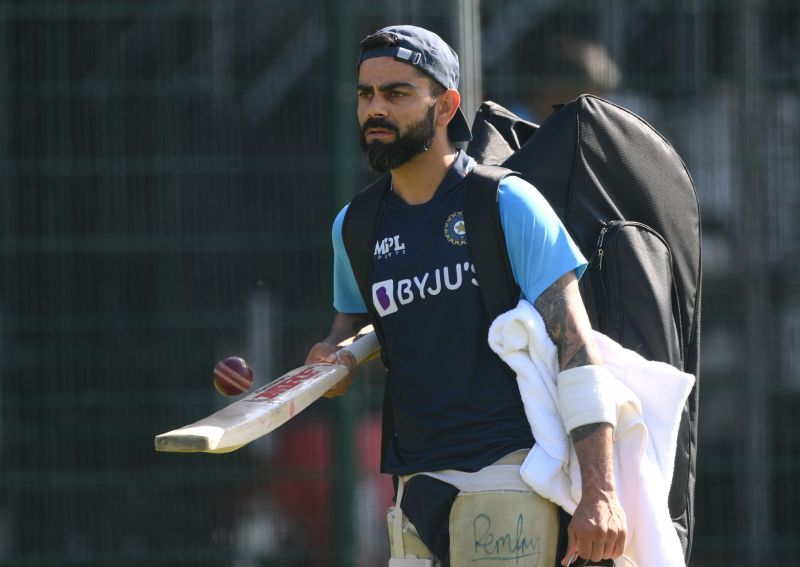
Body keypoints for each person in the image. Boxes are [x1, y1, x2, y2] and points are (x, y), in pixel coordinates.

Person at [305, 25, 626, 566]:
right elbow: (357, 325)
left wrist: (601, 490)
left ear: (445, 105)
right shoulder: (355, 225)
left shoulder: (506, 202)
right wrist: (330, 356)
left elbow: (577, 346)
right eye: (366, 94)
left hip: (506, 469)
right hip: (412, 481)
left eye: (398, 93)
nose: (376, 109)